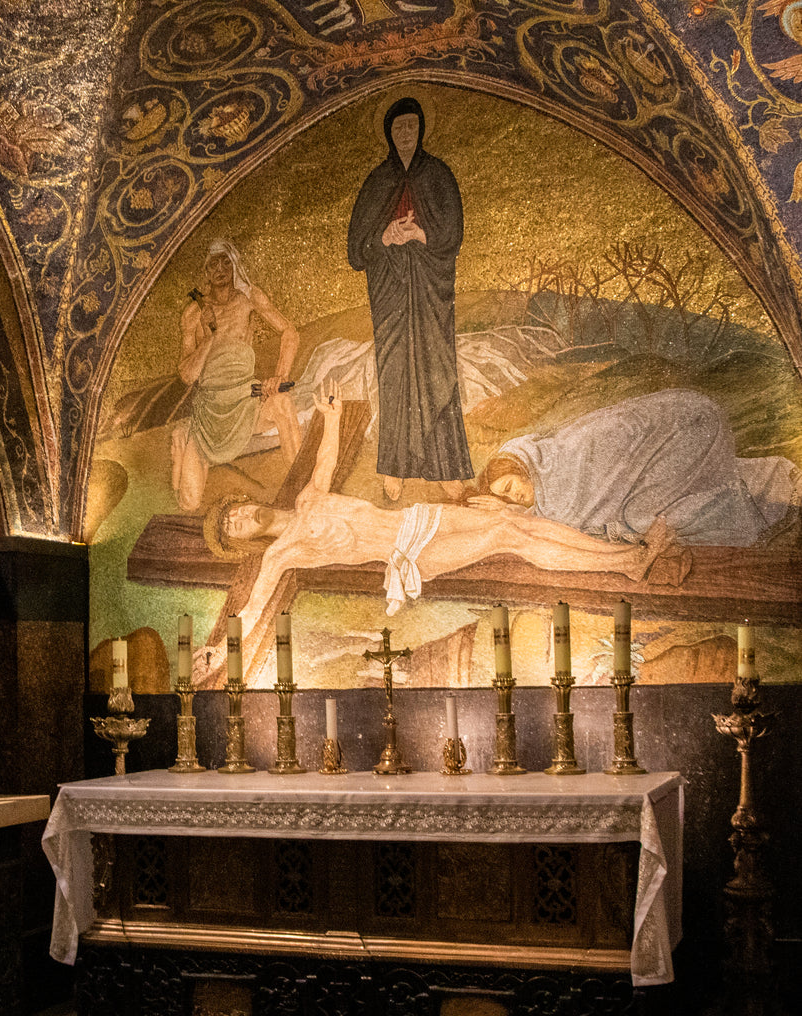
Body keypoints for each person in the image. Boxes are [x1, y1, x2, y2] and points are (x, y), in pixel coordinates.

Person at [201, 388, 683, 681]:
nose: (240, 519)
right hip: (407, 554)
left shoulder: (308, 498)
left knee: (514, 523)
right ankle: (624, 562)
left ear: (245, 502)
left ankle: (627, 557)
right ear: (241, 541)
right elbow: (251, 607)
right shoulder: (280, 555)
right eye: (233, 528)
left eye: (235, 511)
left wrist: (328, 416)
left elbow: (326, 455)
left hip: (417, 520)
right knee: (508, 536)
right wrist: (219, 649)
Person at [471, 388, 797, 547]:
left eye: (512, 488)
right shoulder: (546, 484)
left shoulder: (559, 463)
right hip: (670, 439)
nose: (518, 499)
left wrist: (517, 516)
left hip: (691, 426)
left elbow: (574, 517)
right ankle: (763, 487)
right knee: (644, 517)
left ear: (523, 469)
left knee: (645, 520)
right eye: (509, 500)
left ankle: (748, 515)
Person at [347, 97, 472, 502]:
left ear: (421, 130)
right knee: (395, 372)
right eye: (398, 127)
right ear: (388, 132)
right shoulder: (376, 181)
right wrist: (384, 237)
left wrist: (422, 235)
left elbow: (452, 232)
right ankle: (396, 467)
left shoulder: (438, 175)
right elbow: (355, 250)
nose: (405, 133)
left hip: (430, 289)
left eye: (411, 126)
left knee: (437, 367)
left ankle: (447, 468)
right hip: (390, 291)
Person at [170, 238, 302, 511]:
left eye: (225, 262)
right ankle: (186, 433)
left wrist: (280, 375)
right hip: (210, 409)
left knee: (282, 403)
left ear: (233, 266)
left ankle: (301, 493)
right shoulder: (193, 314)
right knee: (189, 503)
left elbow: (290, 333)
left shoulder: (250, 299)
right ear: (205, 273)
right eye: (212, 264)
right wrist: (209, 336)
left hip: (247, 394)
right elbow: (186, 375)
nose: (220, 269)